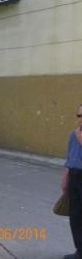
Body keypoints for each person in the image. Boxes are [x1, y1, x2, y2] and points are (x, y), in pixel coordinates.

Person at [62, 104, 82, 259]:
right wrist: (66, 178)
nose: (81, 119)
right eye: (79, 115)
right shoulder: (71, 135)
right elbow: (70, 158)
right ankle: (79, 250)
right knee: (75, 215)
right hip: (74, 177)